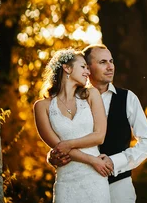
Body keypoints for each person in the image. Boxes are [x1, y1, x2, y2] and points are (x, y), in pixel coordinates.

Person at [49, 44, 147, 203]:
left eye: (111, 61)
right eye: (103, 62)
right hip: (81, 183)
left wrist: (115, 162)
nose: (110, 66)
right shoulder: (70, 100)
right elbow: (61, 138)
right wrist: (52, 156)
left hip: (119, 186)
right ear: (88, 67)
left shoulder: (127, 98)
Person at [33, 49, 111, 203]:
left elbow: (99, 136)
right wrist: (92, 160)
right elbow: (57, 146)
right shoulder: (42, 107)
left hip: (95, 179)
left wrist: (69, 144)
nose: (87, 72)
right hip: (67, 180)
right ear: (67, 68)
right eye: (83, 67)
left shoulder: (91, 95)